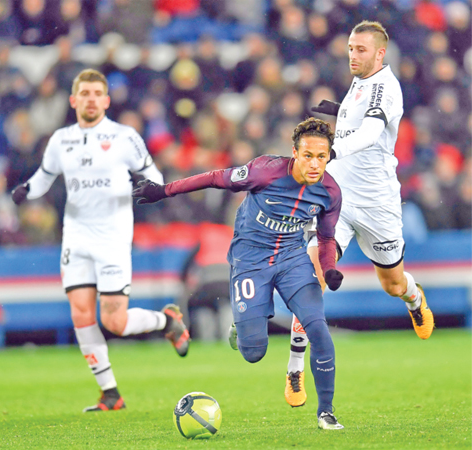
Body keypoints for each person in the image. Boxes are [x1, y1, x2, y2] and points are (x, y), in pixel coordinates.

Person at [134, 117, 346, 430]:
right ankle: (242, 322)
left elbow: (326, 238)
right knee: (253, 352)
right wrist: (164, 191)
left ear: (329, 157)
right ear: (295, 153)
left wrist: (329, 269)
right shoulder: (264, 171)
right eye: (308, 155)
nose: (315, 164)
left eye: (322, 157)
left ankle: (326, 412)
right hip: (250, 260)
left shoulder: (330, 192)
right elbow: (215, 178)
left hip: (292, 259)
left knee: (319, 330)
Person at [11, 68, 189, 412]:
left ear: (106, 101)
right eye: (85, 93)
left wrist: (153, 189)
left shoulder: (124, 136)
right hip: (76, 237)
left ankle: (168, 321)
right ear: (73, 100)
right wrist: (26, 190)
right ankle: (110, 393)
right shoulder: (60, 140)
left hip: (113, 238)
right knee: (80, 313)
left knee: (114, 322)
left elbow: (152, 172)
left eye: (97, 94)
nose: (91, 99)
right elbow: (45, 176)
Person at [284, 20, 435, 409]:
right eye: (350, 48)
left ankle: (414, 298)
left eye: (361, 49)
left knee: (393, 284)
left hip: (377, 203)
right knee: (313, 276)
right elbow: (359, 119)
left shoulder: (386, 87)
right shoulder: (359, 82)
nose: (353, 55)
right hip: (338, 197)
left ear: (380, 53)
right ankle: (295, 368)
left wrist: (330, 149)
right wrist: (337, 112)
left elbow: (370, 133)